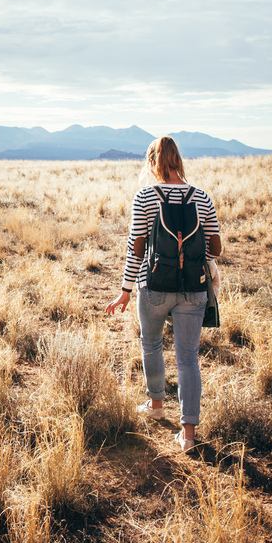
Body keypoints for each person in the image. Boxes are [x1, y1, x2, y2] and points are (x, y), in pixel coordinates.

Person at [105, 136, 222, 452]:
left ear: (153, 162)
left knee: (151, 343)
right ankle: (188, 435)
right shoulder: (202, 197)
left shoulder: (145, 197)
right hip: (193, 288)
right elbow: (216, 247)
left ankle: (156, 404)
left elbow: (135, 250)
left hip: (154, 286)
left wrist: (125, 291)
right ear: (178, 160)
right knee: (188, 358)